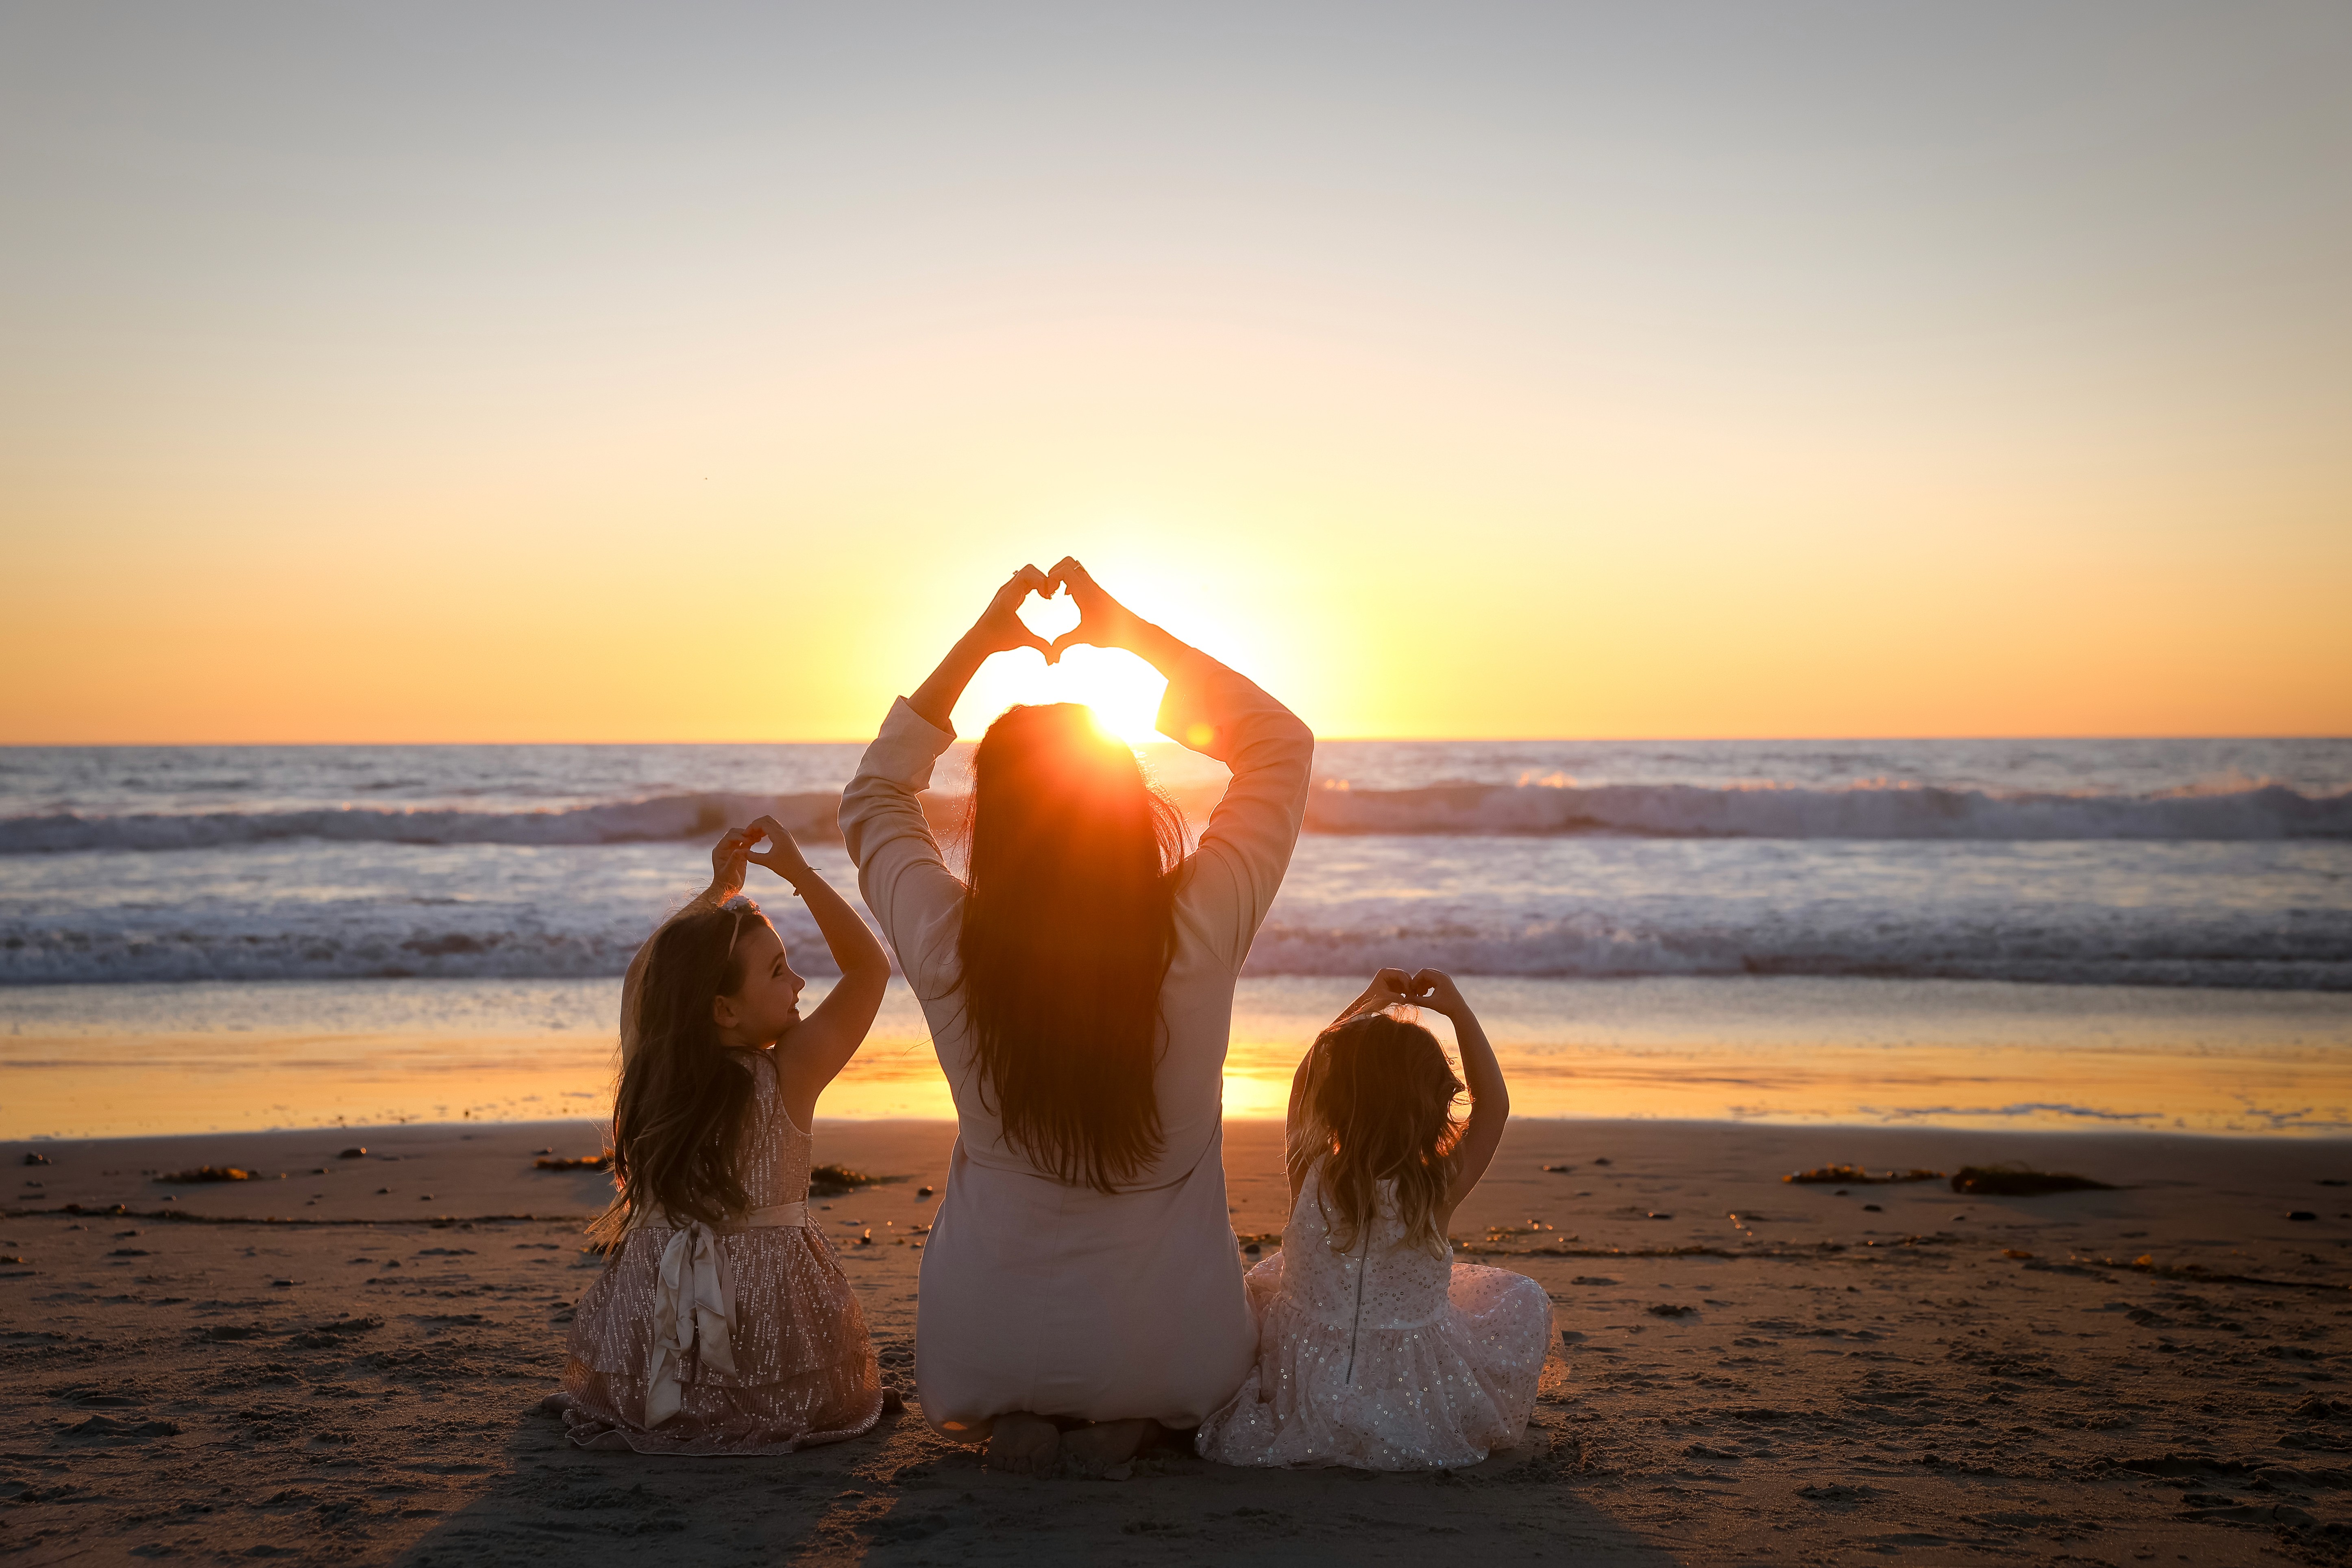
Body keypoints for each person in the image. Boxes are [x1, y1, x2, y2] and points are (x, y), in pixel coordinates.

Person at [840, 558, 1314, 1477]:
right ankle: (1129, 1419)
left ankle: (1028, 1412)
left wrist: (981, 643)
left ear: (990, 822)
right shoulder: (1198, 921)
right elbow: (1280, 744)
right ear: (1129, 805)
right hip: (1174, 1348)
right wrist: (1124, 632)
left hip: (979, 1351)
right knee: (1201, 1342)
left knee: (1012, 1359)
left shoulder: (948, 942)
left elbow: (872, 796)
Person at [552, 817, 892, 1454]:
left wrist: (716, 893)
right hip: (771, 1351)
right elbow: (870, 970)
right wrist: (799, 874)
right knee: (803, 1394)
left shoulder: (652, 1069)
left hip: (651, 1366)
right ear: (724, 1009)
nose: (798, 985)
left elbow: (643, 976)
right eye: (778, 972)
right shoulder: (791, 1072)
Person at [1195, 968, 1553, 1470]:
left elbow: (1303, 1080)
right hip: (1409, 1386)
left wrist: (1368, 1002)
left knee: (1258, 1289)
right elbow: (1494, 1105)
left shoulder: (1310, 1168)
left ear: (1335, 1099)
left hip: (1307, 1377)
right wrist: (1457, 1010)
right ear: (1431, 1104)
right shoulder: (1437, 1187)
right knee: (1520, 1299)